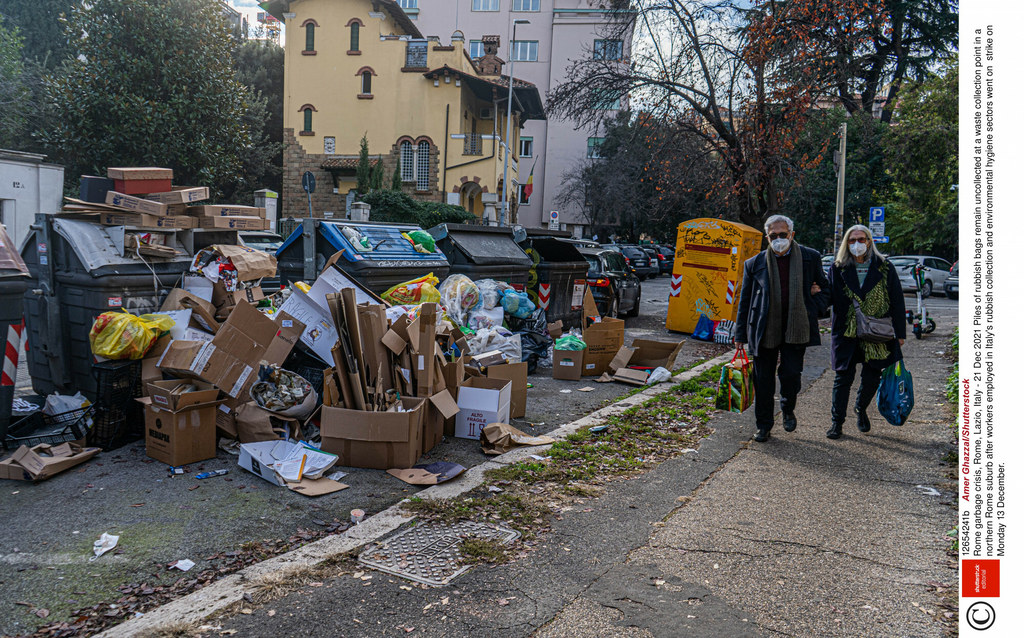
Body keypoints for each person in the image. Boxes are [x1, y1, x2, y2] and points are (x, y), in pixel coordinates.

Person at [734, 215, 831, 442]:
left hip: (796, 328)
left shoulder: (810, 257)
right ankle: (764, 425)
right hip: (764, 329)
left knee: (790, 376)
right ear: (767, 238)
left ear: (792, 234)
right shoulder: (754, 264)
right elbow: (745, 301)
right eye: (773, 235)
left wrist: (812, 307)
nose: (779, 239)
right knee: (763, 380)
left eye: (783, 234)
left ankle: (787, 408)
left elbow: (826, 290)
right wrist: (740, 335)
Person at [827, 225, 906, 439]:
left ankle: (861, 409)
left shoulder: (884, 266)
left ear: (869, 241)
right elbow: (830, 297)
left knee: (872, 376)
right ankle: (837, 423)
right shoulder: (837, 267)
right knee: (843, 378)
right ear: (846, 243)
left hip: (877, 331)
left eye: (861, 239)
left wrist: (900, 333)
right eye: (852, 241)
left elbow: (897, 299)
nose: (857, 244)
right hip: (847, 331)